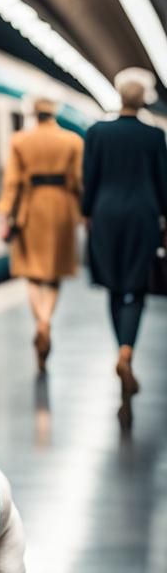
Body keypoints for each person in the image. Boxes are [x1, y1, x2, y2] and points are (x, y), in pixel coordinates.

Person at [82, 67, 167, 426]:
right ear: (144, 98)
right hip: (143, 216)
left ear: (118, 95)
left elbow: (90, 177)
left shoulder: (98, 132)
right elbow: (163, 181)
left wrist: (88, 214)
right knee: (136, 286)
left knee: (115, 288)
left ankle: (122, 350)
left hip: (106, 217)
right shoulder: (154, 136)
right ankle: (126, 350)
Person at [0, 96, 83, 372]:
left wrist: (4, 214)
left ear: (33, 113)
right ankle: (47, 320)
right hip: (61, 208)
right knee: (54, 274)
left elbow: (12, 183)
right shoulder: (73, 141)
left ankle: (40, 323)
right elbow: (77, 181)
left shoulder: (20, 141)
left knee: (33, 273)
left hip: (31, 209)